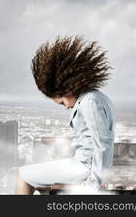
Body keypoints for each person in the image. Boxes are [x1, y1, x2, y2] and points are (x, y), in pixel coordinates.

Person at [15, 36, 114, 194]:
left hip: (84, 168)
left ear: (68, 89)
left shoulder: (90, 102)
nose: (66, 107)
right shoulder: (95, 97)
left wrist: (92, 183)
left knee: (23, 175)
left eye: (62, 102)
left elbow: (103, 145)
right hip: (83, 164)